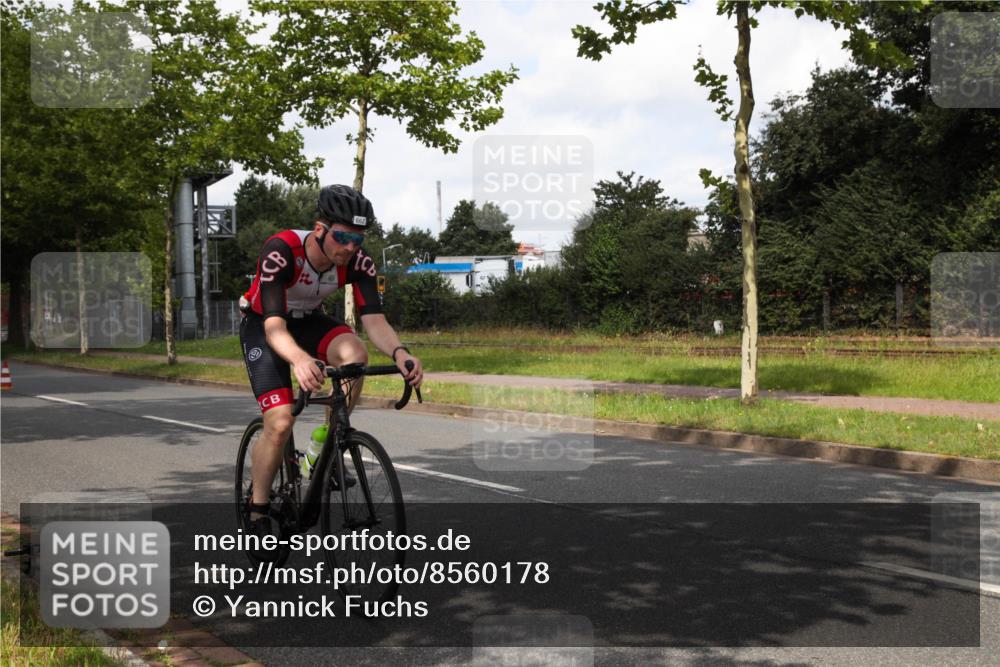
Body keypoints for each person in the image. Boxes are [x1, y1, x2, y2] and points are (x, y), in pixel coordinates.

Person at [238, 184, 423, 534]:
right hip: (265, 324)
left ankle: (325, 444)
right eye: (342, 237)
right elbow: (275, 326)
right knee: (279, 423)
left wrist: (401, 353)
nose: (350, 247)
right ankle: (258, 509)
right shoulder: (282, 250)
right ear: (319, 229)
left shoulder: (358, 261)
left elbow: (374, 320)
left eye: (358, 240)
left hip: (309, 321)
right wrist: (299, 360)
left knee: (355, 354)